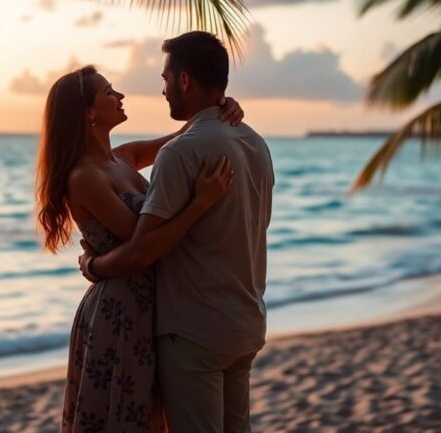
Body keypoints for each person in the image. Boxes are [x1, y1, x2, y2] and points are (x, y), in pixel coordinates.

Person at [80, 32, 274, 433]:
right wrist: (222, 109)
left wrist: (94, 265)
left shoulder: (179, 153)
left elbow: (144, 248)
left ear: (185, 80)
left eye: (167, 78)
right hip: (246, 319)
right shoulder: (255, 143)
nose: (163, 89)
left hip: (194, 329)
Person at [36, 64, 244, 433]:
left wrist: (222, 109)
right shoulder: (85, 177)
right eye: (109, 92)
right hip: (121, 312)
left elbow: (185, 136)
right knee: (136, 419)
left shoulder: (121, 158)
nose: (120, 96)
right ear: (88, 112)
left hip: (152, 303)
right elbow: (146, 243)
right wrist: (201, 202)